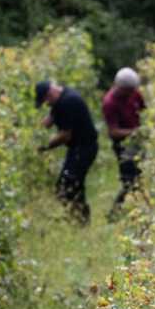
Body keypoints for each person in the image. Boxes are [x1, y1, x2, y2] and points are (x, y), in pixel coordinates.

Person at [35, 79, 99, 224]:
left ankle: (80, 220)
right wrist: (33, 134)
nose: (46, 104)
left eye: (45, 100)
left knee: (68, 185)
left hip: (84, 148)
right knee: (71, 184)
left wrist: (43, 146)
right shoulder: (61, 98)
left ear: (50, 93)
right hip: (77, 148)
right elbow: (50, 119)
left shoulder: (68, 102)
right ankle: (80, 219)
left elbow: (65, 135)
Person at [102, 67, 146, 219]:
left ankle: (139, 210)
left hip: (139, 142)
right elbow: (113, 131)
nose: (131, 93)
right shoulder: (110, 103)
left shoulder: (135, 93)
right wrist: (135, 132)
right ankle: (114, 214)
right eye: (128, 90)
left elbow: (144, 111)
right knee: (130, 181)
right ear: (119, 87)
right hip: (123, 146)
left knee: (141, 178)